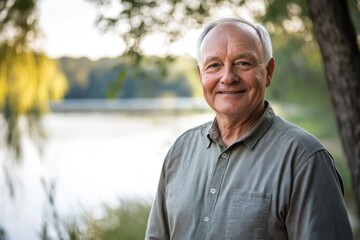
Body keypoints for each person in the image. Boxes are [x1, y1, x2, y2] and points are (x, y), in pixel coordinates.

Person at [145, 17, 354, 240]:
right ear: (201, 75)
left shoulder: (304, 159)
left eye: (243, 63)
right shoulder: (180, 150)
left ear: (269, 71)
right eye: (214, 65)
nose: (227, 77)